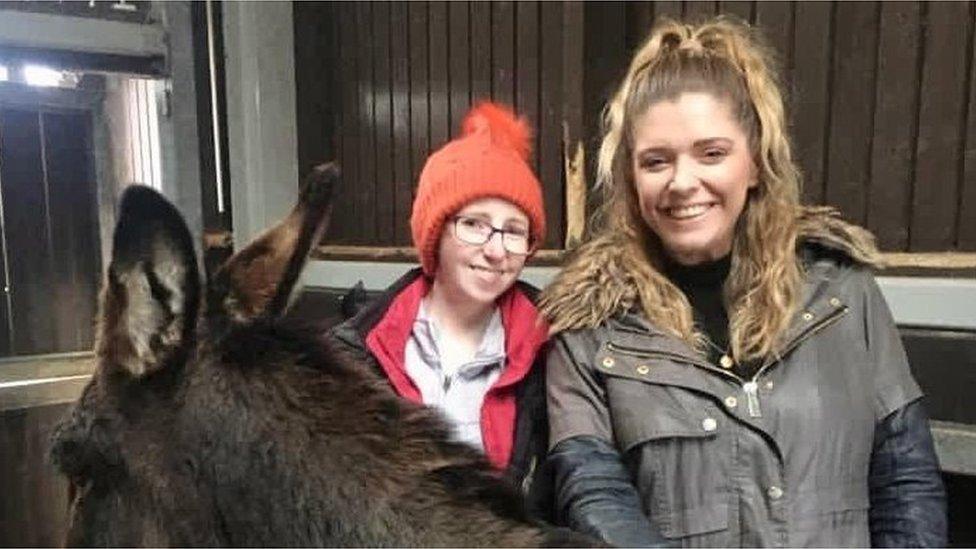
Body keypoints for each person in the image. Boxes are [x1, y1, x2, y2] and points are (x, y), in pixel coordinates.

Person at [539, 17, 947, 547]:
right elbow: (592, 490)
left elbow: (905, 480)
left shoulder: (843, 296)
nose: (683, 182)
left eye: (712, 153)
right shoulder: (589, 329)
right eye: (656, 161)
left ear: (754, 162)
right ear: (630, 178)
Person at [329, 101, 552, 518]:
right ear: (435, 233)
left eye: (515, 231)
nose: (496, 250)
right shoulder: (359, 351)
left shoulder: (553, 350)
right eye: (474, 224)